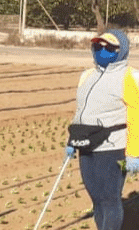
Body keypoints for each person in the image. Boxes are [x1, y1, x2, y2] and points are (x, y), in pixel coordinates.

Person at [65, 30, 138, 230]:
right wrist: (72, 140)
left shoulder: (129, 77)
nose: (102, 50)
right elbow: (81, 111)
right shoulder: (87, 75)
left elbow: (136, 116)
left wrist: (133, 153)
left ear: (121, 51)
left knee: (110, 198)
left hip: (114, 148)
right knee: (96, 198)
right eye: (98, 46)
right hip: (87, 146)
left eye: (109, 47)